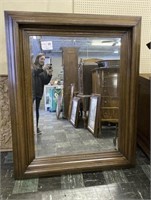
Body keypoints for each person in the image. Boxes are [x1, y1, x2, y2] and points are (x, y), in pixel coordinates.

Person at [32, 53, 53, 134]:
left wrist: (49, 75)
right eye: (41, 59)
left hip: (39, 93)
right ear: (37, 59)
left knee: (37, 111)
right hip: (32, 92)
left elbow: (45, 82)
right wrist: (43, 69)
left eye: (44, 59)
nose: (43, 60)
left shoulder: (43, 70)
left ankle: (36, 127)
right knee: (31, 112)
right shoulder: (33, 67)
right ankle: (30, 127)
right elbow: (35, 73)